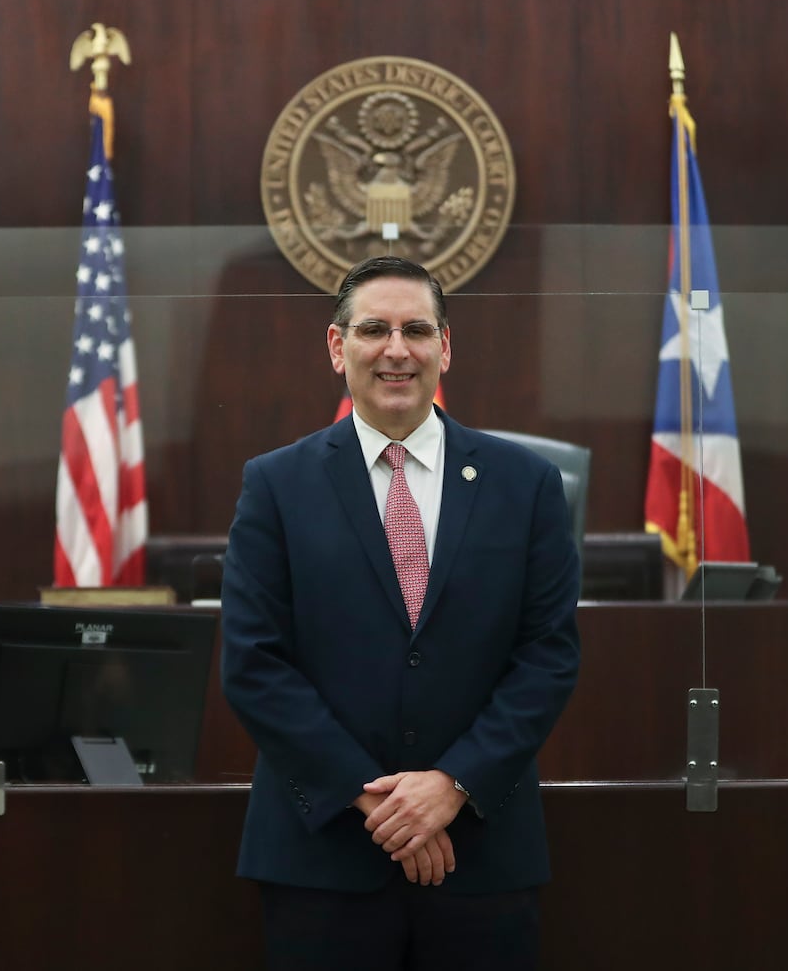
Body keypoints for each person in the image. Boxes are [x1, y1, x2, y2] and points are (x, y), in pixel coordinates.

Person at [221, 256, 581, 970]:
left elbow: (549, 654)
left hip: (480, 854)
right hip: (322, 855)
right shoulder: (275, 485)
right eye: (374, 330)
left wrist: (452, 784)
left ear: (445, 347)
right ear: (337, 346)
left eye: (417, 330)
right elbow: (254, 662)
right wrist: (369, 796)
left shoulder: (527, 484)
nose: (396, 349)